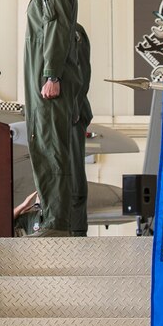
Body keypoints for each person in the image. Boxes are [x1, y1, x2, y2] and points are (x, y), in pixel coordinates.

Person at [16, 0, 81, 236]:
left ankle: (56, 222)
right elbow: (46, 18)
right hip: (43, 78)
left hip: (49, 80)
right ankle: (54, 218)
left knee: (51, 147)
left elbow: (54, 28)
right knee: (45, 144)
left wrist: (51, 74)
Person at [70, 23, 93, 236]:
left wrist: (74, 107)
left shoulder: (71, 31)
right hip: (63, 113)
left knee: (73, 180)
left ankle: (75, 232)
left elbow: (79, 72)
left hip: (69, 114)